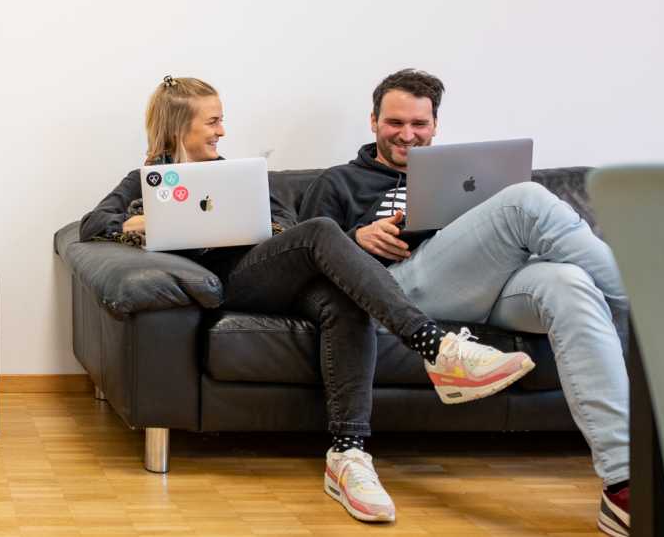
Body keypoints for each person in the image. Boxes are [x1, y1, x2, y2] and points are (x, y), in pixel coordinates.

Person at [81, 75, 535, 524]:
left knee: (343, 298)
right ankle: (436, 347)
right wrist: (157, 218)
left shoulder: (236, 173)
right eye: (213, 121)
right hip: (232, 283)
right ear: (181, 126)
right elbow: (93, 223)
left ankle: (348, 455)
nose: (222, 130)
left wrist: (255, 220)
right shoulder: (148, 181)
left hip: (270, 267)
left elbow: (282, 220)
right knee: (322, 231)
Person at [299, 69, 632, 536]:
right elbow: (307, 256)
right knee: (525, 200)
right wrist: (358, 237)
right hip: (401, 290)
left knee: (571, 283)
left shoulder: (468, 175)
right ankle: (647, 301)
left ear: (435, 126)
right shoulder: (338, 181)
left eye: (419, 124)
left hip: (487, 287)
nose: (407, 135)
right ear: (373, 121)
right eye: (395, 122)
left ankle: (623, 483)